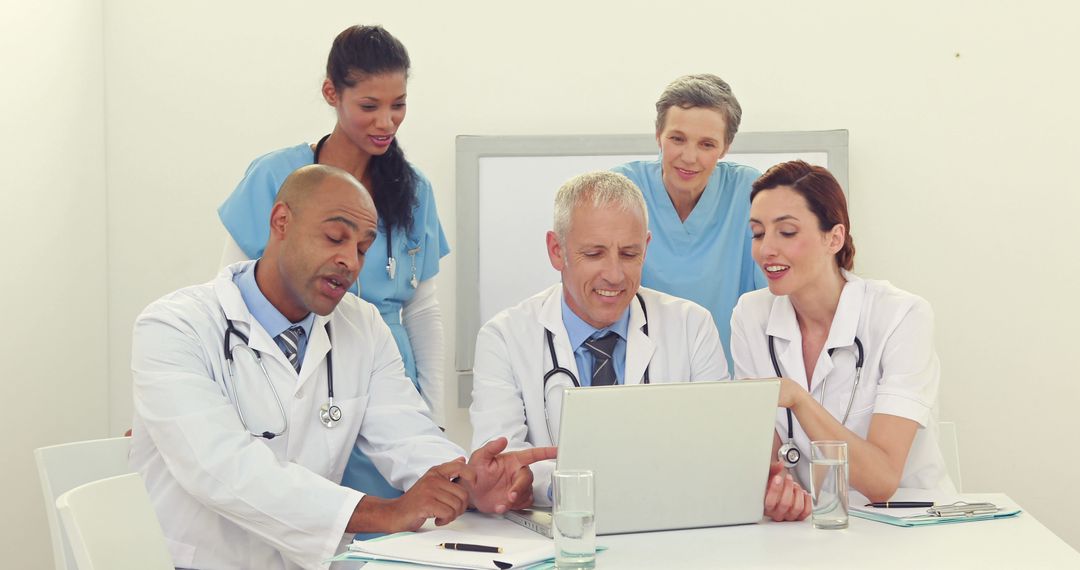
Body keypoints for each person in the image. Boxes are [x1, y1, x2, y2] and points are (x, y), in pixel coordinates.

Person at [130, 165, 554, 570]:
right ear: (281, 222)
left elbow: (407, 437)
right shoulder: (174, 326)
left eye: (363, 248)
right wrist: (382, 512)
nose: (350, 261)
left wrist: (466, 480)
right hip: (196, 563)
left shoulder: (362, 325)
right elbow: (218, 468)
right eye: (335, 237)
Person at [469, 170, 810, 521]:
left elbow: (717, 452)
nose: (615, 275)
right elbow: (505, 465)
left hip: (670, 532)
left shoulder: (691, 326)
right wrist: (544, 486)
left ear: (646, 247)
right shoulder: (504, 338)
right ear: (557, 251)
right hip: (560, 537)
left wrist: (766, 486)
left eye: (629, 254)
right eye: (594, 254)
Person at [217, 25, 447, 499]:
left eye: (398, 105)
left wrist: (433, 419)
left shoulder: (414, 190)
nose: (386, 122)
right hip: (287, 376)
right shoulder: (276, 177)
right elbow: (226, 295)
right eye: (369, 106)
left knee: (390, 530)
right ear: (331, 93)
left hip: (384, 385)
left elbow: (423, 312)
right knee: (293, 510)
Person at [730, 160, 954, 502]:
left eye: (787, 232)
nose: (766, 249)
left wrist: (799, 399)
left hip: (905, 523)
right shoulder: (751, 315)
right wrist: (778, 493)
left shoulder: (901, 315)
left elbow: (881, 481)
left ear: (834, 237)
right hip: (810, 526)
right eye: (758, 233)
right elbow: (764, 460)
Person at [612, 74, 765, 367]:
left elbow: (770, 301)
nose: (689, 157)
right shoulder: (623, 188)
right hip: (638, 372)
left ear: (726, 146)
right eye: (677, 139)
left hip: (728, 374)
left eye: (707, 144)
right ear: (658, 135)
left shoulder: (750, 192)